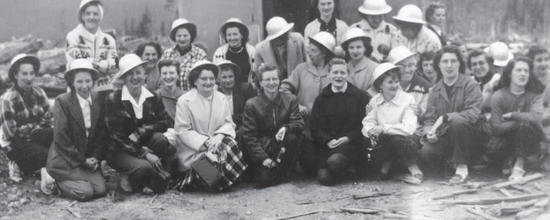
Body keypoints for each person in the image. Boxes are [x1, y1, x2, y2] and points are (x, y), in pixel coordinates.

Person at [104, 54, 175, 194]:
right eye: (129, 74)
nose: (135, 77)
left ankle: (147, 179)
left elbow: (166, 122)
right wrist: (144, 153)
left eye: (138, 72)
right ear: (123, 78)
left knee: (160, 140)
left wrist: (142, 131)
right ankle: (131, 176)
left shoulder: (154, 96)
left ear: (144, 74)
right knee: (145, 167)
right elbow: (116, 136)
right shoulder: (113, 99)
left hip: (146, 144)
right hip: (120, 150)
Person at [173, 61, 247, 191]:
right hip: (194, 152)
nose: (208, 82)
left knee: (230, 143)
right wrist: (206, 142)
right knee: (216, 183)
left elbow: (228, 123)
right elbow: (182, 130)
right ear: (195, 81)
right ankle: (206, 179)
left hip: (216, 147)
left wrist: (220, 135)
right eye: (204, 78)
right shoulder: (184, 101)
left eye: (211, 78)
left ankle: (223, 177)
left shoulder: (222, 98)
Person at [419, 46, 483, 184]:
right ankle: (448, 165)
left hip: (470, 137)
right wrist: (429, 132)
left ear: (460, 64)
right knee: (426, 151)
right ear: (438, 65)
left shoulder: (470, 85)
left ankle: (462, 167)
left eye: (453, 61)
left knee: (457, 122)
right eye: (445, 61)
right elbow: (429, 118)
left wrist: (446, 117)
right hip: (446, 138)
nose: (449, 65)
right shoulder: (434, 90)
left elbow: (473, 114)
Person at [47, 59, 107, 201]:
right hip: (65, 158)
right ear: (72, 83)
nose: (84, 86)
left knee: (101, 190)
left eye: (88, 81)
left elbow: (101, 132)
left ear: (93, 81)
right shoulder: (63, 101)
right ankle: (56, 182)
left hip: (87, 158)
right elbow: (61, 137)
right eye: (79, 82)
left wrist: (95, 157)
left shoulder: (98, 99)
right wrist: (82, 160)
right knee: (85, 193)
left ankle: (81, 179)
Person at [241, 65, 304, 188]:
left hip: (283, 147)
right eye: (267, 80)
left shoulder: (290, 99)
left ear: (280, 80)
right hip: (263, 149)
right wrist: (263, 158)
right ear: (260, 83)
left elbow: (299, 123)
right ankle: (272, 171)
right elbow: (249, 136)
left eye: (274, 79)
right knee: (264, 181)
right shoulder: (252, 104)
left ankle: (284, 171)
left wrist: (286, 128)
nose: (272, 83)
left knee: (293, 136)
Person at [310, 58, 370, 186]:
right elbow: (315, 126)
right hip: (329, 146)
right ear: (328, 75)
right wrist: (327, 140)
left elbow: (365, 124)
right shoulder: (321, 98)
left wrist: (348, 138)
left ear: (347, 75)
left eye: (342, 73)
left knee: (335, 162)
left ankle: (348, 168)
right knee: (324, 178)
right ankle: (345, 172)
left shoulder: (360, 96)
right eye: (335, 72)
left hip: (352, 146)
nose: (338, 76)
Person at [0, 54, 54, 192]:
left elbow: (48, 118)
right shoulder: (7, 99)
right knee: (47, 155)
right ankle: (17, 163)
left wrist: (34, 130)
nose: (29, 78)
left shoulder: (39, 92)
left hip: (36, 135)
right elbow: (11, 132)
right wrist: (35, 129)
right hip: (16, 143)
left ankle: (39, 164)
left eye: (31, 73)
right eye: (24, 73)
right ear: (15, 75)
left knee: (60, 142)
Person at [362, 63, 423, 184]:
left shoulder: (408, 99)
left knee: (396, 139)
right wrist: (370, 131)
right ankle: (387, 165)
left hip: (407, 140)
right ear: (380, 85)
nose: (394, 85)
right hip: (385, 141)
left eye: (396, 81)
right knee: (369, 140)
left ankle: (415, 170)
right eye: (390, 82)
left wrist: (383, 128)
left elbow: (408, 128)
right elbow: (368, 121)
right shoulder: (375, 100)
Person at [488, 57, 546, 181]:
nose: (523, 74)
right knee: (493, 148)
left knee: (525, 127)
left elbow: (536, 117)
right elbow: (496, 127)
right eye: (519, 70)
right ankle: (508, 160)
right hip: (505, 138)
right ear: (509, 74)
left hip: (528, 136)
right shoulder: (499, 96)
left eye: (526, 71)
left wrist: (513, 115)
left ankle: (519, 165)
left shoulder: (535, 95)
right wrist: (519, 121)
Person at [65, 0, 117, 92]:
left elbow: (113, 66)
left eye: (95, 14)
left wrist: (90, 62)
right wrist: (103, 65)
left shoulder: (109, 40)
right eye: (87, 13)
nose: (91, 17)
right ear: (82, 16)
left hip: (104, 89)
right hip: (79, 90)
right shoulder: (72, 36)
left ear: (100, 16)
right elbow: (77, 66)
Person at [162, 18, 208, 90]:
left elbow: (204, 79)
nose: (182, 39)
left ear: (191, 36)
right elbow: (161, 77)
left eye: (185, 35)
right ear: (174, 37)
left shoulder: (200, 54)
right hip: (171, 97)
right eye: (179, 36)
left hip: (193, 97)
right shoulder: (167, 53)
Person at [387, 46, 431, 116]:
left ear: (415, 66)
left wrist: (420, 113)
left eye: (410, 65)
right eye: (402, 66)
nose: (407, 70)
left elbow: (429, 118)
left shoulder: (425, 87)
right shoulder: (385, 85)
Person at [213, 18, 256, 84]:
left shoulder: (252, 51)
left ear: (242, 35)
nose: (232, 38)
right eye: (229, 35)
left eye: (235, 34)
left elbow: (255, 72)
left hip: (247, 89)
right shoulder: (219, 52)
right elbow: (217, 75)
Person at [216, 60, 256, 128]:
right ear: (218, 79)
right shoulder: (215, 93)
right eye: (224, 77)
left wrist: (230, 118)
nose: (228, 80)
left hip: (243, 128)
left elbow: (251, 114)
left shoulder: (245, 89)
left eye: (230, 76)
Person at [341, 27, 378, 96]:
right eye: (351, 47)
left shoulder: (374, 67)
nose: (355, 51)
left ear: (365, 48)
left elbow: (375, 92)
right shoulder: (344, 66)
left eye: (359, 47)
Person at [155, 59, 184, 126]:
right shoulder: (156, 96)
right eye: (164, 73)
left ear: (178, 75)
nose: (168, 77)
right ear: (160, 76)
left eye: (171, 73)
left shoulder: (185, 96)